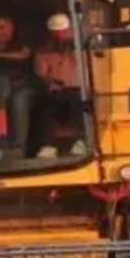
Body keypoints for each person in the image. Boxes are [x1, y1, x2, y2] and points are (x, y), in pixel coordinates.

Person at [0, 15, 36, 167]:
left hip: (22, 86)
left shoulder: (20, 43)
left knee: (19, 101)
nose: (0, 31)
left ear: (12, 27)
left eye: (3, 27)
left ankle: (18, 147)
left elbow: (25, 55)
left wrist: (0, 55)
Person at [34, 12, 87, 158]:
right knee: (47, 104)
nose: (60, 37)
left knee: (80, 101)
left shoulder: (82, 47)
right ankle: (49, 144)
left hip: (80, 88)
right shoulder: (43, 51)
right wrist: (50, 83)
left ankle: (81, 140)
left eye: (63, 33)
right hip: (57, 89)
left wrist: (74, 48)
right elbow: (41, 74)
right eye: (56, 33)